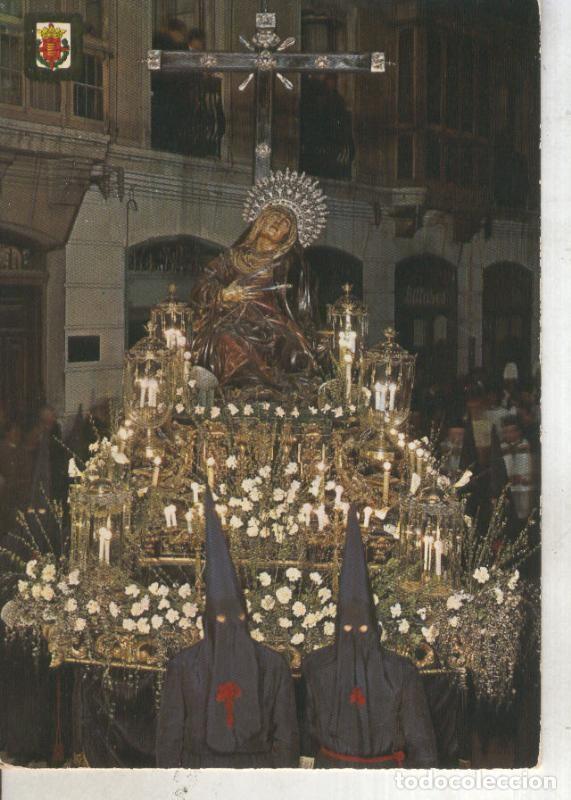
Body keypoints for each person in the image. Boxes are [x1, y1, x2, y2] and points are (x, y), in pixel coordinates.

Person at [156, 489, 299, 768]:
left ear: (247, 618)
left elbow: (286, 739)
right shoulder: (184, 666)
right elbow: (169, 740)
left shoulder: (272, 666)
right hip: (199, 773)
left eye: (236, 618)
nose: (230, 627)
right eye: (221, 619)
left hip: (256, 776)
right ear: (208, 620)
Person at [301, 506, 437, 769]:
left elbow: (421, 743)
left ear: (375, 630)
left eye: (363, 630)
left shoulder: (400, 672)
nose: (355, 636)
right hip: (332, 778)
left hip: (384, 779)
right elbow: (309, 733)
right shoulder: (316, 667)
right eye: (347, 630)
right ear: (337, 628)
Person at [190, 171, 327, 393]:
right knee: (225, 338)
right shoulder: (232, 258)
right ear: (261, 221)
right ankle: (247, 389)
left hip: (272, 324)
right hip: (232, 318)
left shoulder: (291, 265)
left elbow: (301, 305)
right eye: (274, 216)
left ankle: (264, 390)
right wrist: (223, 294)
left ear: (289, 236)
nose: (277, 223)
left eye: (285, 223)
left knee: (292, 353)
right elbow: (204, 282)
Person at [501, 416, 535, 521]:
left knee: (525, 511)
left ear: (519, 432)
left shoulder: (525, 444)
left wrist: (525, 478)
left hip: (525, 485)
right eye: (506, 432)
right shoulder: (502, 447)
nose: (509, 435)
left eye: (512, 431)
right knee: (511, 514)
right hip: (510, 486)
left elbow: (529, 464)